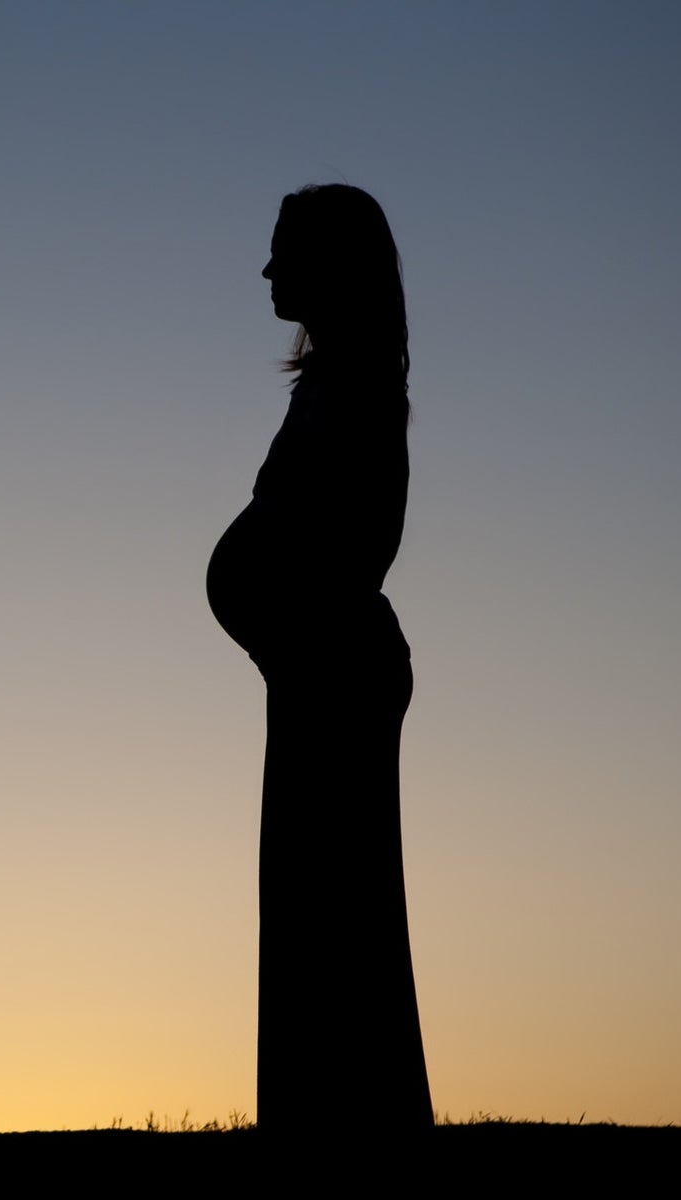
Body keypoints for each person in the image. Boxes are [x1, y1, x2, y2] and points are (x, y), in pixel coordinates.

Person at [205, 183, 434, 1131]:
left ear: (331, 263)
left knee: (333, 911)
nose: (266, 270)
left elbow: (346, 540)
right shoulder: (337, 384)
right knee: (311, 906)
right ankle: (318, 1114)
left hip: (334, 672)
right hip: (314, 672)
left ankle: (346, 1121)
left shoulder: (358, 391)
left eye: (283, 251)